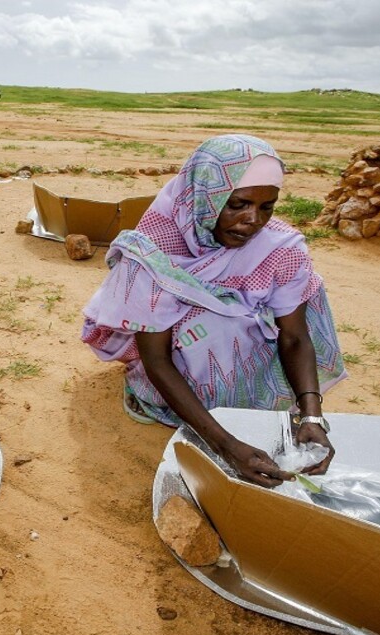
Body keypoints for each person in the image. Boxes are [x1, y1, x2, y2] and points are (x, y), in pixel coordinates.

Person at [81, 134, 347, 488]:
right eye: (237, 204)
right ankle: (163, 403)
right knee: (217, 324)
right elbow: (157, 359)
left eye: (267, 206)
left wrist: (311, 416)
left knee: (261, 312)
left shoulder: (281, 248)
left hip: (241, 361)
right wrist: (225, 446)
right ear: (205, 195)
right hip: (179, 363)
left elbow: (295, 337)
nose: (253, 220)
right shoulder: (155, 254)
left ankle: (250, 399)